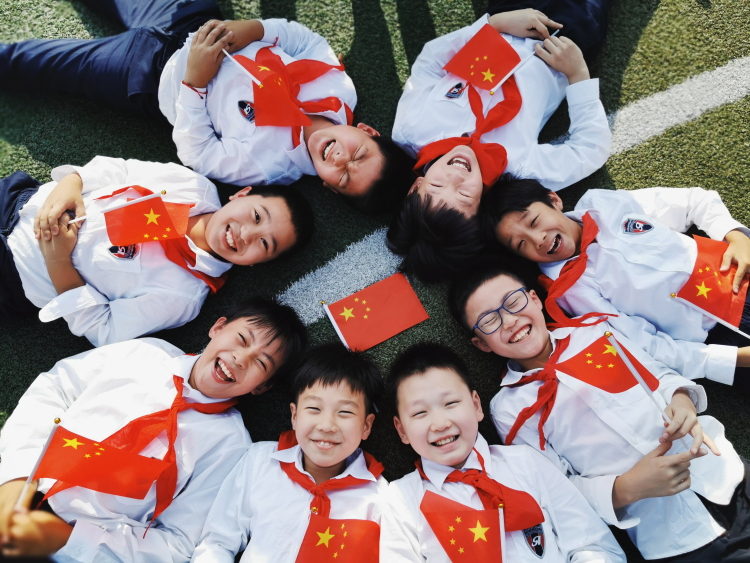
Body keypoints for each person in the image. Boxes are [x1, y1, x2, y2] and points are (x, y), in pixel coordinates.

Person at [450, 262, 750, 561]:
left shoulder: (594, 331)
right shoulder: (508, 409)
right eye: (489, 320)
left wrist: (682, 400)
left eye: (513, 302)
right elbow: (556, 488)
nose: (509, 321)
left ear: (534, 298)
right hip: (674, 536)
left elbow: (659, 375)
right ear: (481, 344)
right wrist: (626, 488)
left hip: (724, 470)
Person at [0, 0, 414, 213]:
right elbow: (302, 39)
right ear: (367, 131)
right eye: (359, 154)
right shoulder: (340, 91)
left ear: (328, 186)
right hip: (189, 19)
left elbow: (198, 152)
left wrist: (195, 82)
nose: (340, 159)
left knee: (29, 63)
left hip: (148, 72)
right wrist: (248, 30)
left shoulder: (270, 168)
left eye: (343, 177)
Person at [0, 297, 308, 562]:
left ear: (261, 387)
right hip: (18, 484)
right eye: (241, 339)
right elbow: (57, 388)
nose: (241, 359)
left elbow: (178, 541)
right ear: (217, 328)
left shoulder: (230, 445)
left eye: (261, 363)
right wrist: (16, 478)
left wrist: (71, 541)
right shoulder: (145, 353)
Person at [386, 7, 611, 281]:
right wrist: (577, 74)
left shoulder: (411, 131)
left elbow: (430, 64)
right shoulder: (518, 172)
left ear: (416, 186)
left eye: (436, 186)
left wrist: (493, 24)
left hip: (508, 14)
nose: (455, 176)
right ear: (480, 207)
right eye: (464, 195)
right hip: (562, 42)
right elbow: (589, 150)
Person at [0, 155, 313, 346]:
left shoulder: (182, 296)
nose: (246, 234)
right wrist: (71, 183)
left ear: (256, 264)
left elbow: (104, 330)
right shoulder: (194, 185)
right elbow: (121, 170)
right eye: (257, 216)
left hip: (14, 276)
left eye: (264, 244)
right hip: (19, 200)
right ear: (241, 194)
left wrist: (58, 261)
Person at [483, 180, 750, 390]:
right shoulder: (569, 290)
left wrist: (736, 235)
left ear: (554, 200)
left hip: (736, 272)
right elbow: (643, 344)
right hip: (720, 339)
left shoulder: (603, 203)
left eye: (533, 221)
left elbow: (692, 202)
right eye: (521, 244)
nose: (537, 239)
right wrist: (732, 358)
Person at [380, 342, 625, 562]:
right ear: (401, 430)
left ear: (476, 405)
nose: (440, 424)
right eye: (419, 413)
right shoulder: (400, 499)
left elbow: (592, 543)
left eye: (451, 403)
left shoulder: (526, 462)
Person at [191, 343, 386, 562]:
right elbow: (217, 542)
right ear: (294, 415)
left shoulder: (380, 498)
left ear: (366, 426)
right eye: (314, 409)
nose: (327, 425)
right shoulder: (260, 460)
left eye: (345, 412)